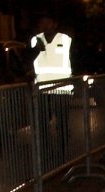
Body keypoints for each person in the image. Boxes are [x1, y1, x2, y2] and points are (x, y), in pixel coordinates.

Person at [29, 13, 75, 162]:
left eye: (48, 23)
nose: (45, 26)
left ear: (54, 24)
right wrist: (35, 49)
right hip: (42, 91)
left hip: (62, 89)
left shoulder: (65, 39)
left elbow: (74, 59)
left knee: (61, 123)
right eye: (42, 23)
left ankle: (61, 154)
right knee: (41, 123)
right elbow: (26, 59)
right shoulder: (35, 40)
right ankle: (45, 152)